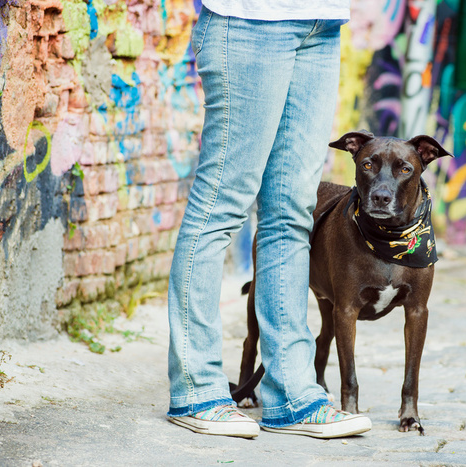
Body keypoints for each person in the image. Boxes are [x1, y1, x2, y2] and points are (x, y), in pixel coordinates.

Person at [165, 0, 372, 439]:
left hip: (322, 23)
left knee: (292, 212)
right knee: (221, 205)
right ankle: (196, 389)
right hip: (249, 22)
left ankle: (293, 395)